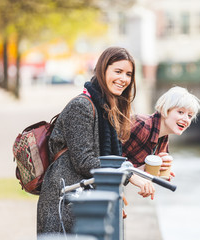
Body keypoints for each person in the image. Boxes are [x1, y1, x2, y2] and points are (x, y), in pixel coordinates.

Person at [37, 47, 155, 236]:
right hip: (64, 196)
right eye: (118, 71)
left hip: (82, 196)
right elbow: (84, 161)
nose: (123, 79)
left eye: (128, 74)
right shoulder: (81, 106)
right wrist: (128, 175)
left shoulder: (108, 110)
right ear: (102, 71)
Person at [122, 86, 200, 180]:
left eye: (189, 116)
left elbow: (136, 169)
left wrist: (157, 171)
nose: (186, 119)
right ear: (164, 111)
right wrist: (138, 175)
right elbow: (113, 161)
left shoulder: (163, 136)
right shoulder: (143, 125)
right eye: (180, 112)